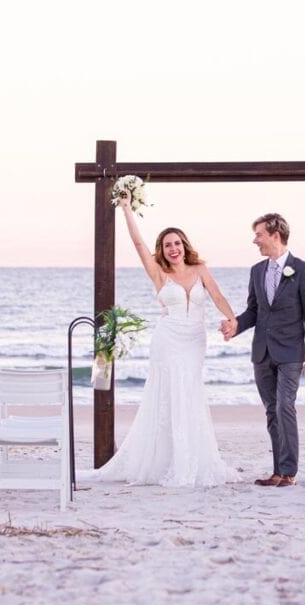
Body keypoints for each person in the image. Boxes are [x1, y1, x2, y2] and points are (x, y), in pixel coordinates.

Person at [93, 196, 240, 486]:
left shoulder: (200, 270)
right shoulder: (159, 273)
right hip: (168, 340)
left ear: (185, 245)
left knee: (190, 393)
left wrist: (232, 319)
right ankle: (166, 461)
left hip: (195, 339)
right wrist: (126, 210)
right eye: (167, 244)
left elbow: (218, 296)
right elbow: (138, 245)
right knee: (168, 395)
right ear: (162, 250)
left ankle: (191, 458)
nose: (173, 249)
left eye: (177, 243)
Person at [220, 213, 305, 488]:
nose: (255, 241)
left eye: (259, 235)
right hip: (262, 352)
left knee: (284, 405)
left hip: (290, 353)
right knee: (271, 411)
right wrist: (235, 325)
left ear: (275, 235)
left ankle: (289, 472)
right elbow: (254, 311)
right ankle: (277, 472)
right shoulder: (257, 271)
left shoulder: (302, 270)